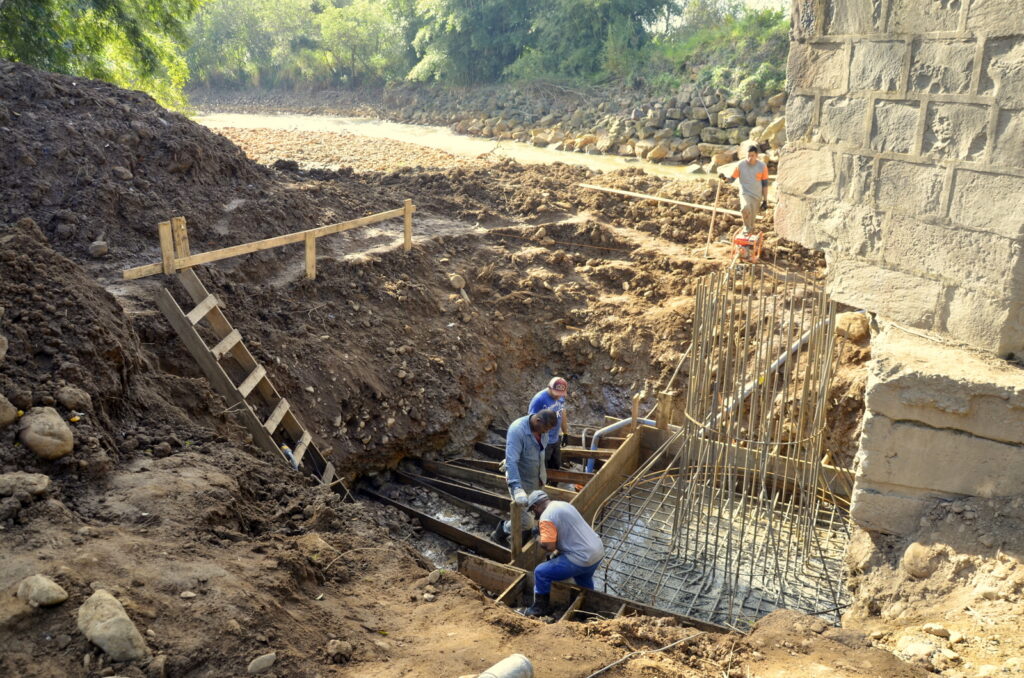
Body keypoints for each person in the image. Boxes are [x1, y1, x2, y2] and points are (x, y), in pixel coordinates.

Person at [522, 490, 605, 617]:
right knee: (583, 578)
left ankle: (539, 608)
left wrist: (538, 537)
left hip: (581, 558)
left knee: (541, 572)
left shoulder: (546, 517)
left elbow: (549, 546)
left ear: (535, 507)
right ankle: (586, 609)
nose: (535, 515)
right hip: (597, 552)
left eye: (533, 512)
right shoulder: (564, 505)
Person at [491, 409, 558, 545]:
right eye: (546, 428)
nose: (546, 432)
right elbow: (512, 460)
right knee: (525, 522)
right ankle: (500, 532)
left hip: (537, 477)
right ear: (538, 420)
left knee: (534, 513)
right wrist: (516, 487)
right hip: (522, 481)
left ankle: (527, 535)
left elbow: (539, 453)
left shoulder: (542, 430)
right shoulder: (517, 430)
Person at [724, 143, 769, 234]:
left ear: (756, 155)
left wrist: (765, 200)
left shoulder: (762, 166)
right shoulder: (741, 165)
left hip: (757, 196)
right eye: (748, 156)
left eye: (752, 156)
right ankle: (746, 230)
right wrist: (724, 178)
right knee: (745, 208)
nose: (749, 158)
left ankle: (748, 235)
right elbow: (731, 179)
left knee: (751, 220)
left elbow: (765, 184)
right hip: (745, 193)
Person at [528, 377, 569, 471]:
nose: (558, 397)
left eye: (560, 394)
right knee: (542, 469)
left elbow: (562, 413)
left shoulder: (560, 396)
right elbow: (531, 422)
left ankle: (553, 484)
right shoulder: (539, 399)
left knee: (556, 465)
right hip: (543, 442)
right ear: (549, 388)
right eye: (556, 394)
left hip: (555, 439)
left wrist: (565, 433)